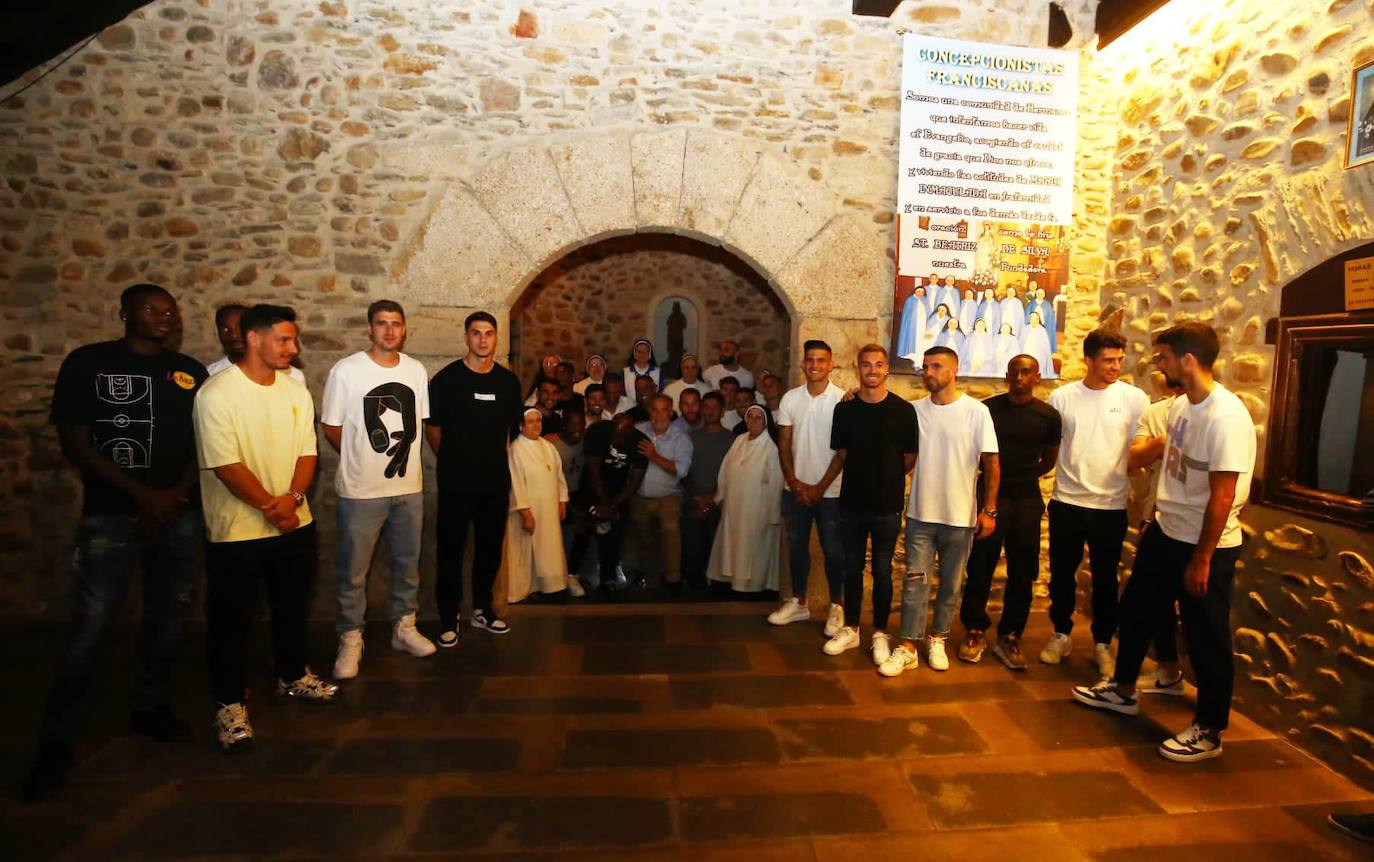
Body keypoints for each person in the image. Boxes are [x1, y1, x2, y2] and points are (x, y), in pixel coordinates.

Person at [23, 284, 207, 801]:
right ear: (124, 312)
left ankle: (151, 709)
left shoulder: (190, 370)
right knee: (90, 630)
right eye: (153, 309)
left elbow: (204, 442)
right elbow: (76, 441)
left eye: (170, 310)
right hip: (110, 516)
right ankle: (54, 746)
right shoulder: (89, 363)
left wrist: (173, 498)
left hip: (178, 514)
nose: (164, 316)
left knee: (166, 622)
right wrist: (140, 496)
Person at [1073, 323, 1256, 764]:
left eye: (1163, 357)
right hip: (1166, 531)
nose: (1158, 364)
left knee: (1205, 635)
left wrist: (1203, 558)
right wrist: (1155, 516)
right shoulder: (1179, 409)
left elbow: (1224, 494)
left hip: (1203, 544)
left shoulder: (1226, 417)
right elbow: (1171, 470)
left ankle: (1209, 730)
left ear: (1187, 361)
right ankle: (1122, 689)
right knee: (1135, 611)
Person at [193, 304, 336, 752]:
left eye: (293, 340)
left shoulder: (294, 391)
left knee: (292, 606)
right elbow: (226, 464)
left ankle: (292, 675)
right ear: (253, 339)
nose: (293, 349)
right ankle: (230, 705)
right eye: (284, 340)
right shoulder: (217, 393)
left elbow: (307, 453)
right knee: (231, 621)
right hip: (238, 529)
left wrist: (292, 501)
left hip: (295, 521)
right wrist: (269, 507)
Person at [320, 300, 435, 682]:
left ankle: (404, 626)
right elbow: (332, 428)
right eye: (381, 324)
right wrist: (360, 458)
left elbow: (416, 425)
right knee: (352, 571)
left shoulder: (415, 370)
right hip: (360, 490)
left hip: (408, 487)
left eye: (396, 324)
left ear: (405, 329)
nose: (389, 330)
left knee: (408, 563)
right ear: (370, 328)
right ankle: (350, 637)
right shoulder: (347, 371)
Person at [880, 346, 999, 677]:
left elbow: (991, 461)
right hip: (921, 513)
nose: (928, 373)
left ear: (953, 370)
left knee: (950, 584)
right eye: (925, 367)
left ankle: (938, 638)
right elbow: (880, 410)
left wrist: (989, 509)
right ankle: (907, 646)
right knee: (915, 580)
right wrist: (851, 394)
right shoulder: (913, 411)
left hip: (960, 516)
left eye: (936, 366)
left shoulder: (977, 412)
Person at [1043, 328, 1150, 676]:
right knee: (1061, 575)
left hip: (1110, 505)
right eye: (1108, 360)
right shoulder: (1063, 398)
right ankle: (1061, 634)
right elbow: (1054, 446)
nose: (1115, 366)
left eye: (1119, 359)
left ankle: (1103, 643)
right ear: (1088, 360)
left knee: (1106, 579)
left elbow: (1139, 449)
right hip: (1068, 501)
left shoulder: (1134, 399)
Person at [957, 355, 1061, 670]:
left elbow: (1049, 460)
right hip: (991, 495)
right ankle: (975, 630)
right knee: (980, 565)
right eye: (1014, 372)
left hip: (1026, 497)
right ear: (1006, 376)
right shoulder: (988, 410)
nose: (1019, 377)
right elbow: (975, 453)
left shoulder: (1048, 416)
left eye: (1026, 372)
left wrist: (1022, 475)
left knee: (1023, 569)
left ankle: (1011, 635)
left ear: (1037, 377)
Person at [428, 311, 524, 642]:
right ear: (466, 337)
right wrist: (456, 461)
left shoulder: (508, 382)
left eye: (489, 333)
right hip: (455, 483)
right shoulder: (446, 380)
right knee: (451, 551)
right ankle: (448, 616)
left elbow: (508, 433)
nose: (483, 339)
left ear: (496, 338)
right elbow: (434, 430)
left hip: (494, 483)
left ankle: (482, 609)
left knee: (489, 551)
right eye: (476, 333)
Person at [824, 344, 917, 661]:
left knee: (882, 571)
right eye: (867, 365)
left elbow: (908, 458)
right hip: (851, 503)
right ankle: (851, 628)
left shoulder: (904, 411)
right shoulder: (844, 409)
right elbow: (843, 453)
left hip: (887, 506)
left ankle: (879, 632)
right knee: (851, 568)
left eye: (879, 365)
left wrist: (885, 477)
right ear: (857, 368)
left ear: (886, 369)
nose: (873, 370)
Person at [769, 340, 846, 635]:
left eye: (821, 360)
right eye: (810, 360)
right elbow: (784, 442)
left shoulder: (842, 401)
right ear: (803, 363)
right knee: (796, 548)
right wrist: (793, 481)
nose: (814, 365)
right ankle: (800, 602)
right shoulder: (790, 399)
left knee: (833, 552)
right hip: (795, 490)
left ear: (831, 364)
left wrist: (819, 487)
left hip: (831, 492)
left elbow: (843, 451)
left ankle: (837, 607)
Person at [1128, 370, 1186, 694]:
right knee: (1152, 600)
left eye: (1164, 360)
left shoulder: (1219, 412)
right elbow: (1134, 459)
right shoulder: (1156, 413)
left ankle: (1208, 707)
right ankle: (1168, 669)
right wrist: (1162, 442)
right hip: (1157, 514)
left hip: (1199, 526)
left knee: (1195, 609)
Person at [709, 404, 784, 594]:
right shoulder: (740, 440)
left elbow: (777, 481)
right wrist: (720, 496)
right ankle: (730, 581)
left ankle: (752, 587)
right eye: (750, 417)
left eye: (758, 417)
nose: (753, 421)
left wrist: (774, 513)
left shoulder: (771, 447)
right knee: (732, 544)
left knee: (752, 548)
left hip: (758, 507)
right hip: (734, 506)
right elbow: (725, 470)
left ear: (766, 421)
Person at [507, 408, 576, 602]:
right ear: (521, 426)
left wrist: (562, 500)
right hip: (528, 511)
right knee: (526, 552)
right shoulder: (516, 449)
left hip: (549, 510)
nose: (536, 425)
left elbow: (559, 476)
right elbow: (516, 483)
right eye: (531, 422)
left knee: (549, 548)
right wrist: (525, 512)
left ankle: (550, 587)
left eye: (538, 421)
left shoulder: (548, 446)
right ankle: (525, 590)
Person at [630, 394, 693, 591]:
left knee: (671, 535)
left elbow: (682, 471)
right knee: (642, 538)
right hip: (639, 496)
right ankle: (650, 580)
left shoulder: (681, 438)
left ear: (671, 412)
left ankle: (673, 579)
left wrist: (654, 456)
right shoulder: (638, 431)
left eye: (663, 409)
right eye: (654, 409)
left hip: (668, 497)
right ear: (650, 411)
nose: (658, 415)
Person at [579, 413, 648, 590]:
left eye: (621, 435)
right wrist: (603, 503)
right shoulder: (597, 431)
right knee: (587, 527)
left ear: (631, 432)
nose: (616, 439)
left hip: (620, 491)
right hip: (592, 487)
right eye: (614, 434)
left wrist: (612, 506)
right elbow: (593, 471)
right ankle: (581, 574)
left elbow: (635, 480)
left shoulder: (641, 441)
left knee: (616, 530)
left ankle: (609, 576)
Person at [683, 392, 734, 588]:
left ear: (722, 412)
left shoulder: (732, 440)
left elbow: (732, 474)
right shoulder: (690, 437)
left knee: (717, 526)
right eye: (707, 407)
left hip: (721, 500)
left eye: (715, 407)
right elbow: (683, 471)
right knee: (691, 529)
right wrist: (698, 498)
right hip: (694, 498)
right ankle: (694, 581)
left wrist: (712, 499)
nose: (711, 411)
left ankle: (719, 581)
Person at [208, 302, 305, 384]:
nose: (234, 335)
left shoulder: (293, 376)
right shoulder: (211, 374)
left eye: (240, 327)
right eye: (225, 329)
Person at [895, 285, 931, 361]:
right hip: (912, 323)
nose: (920, 293)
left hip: (923, 323)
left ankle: (920, 352)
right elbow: (906, 314)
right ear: (915, 291)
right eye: (918, 291)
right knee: (912, 337)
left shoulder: (925, 300)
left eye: (922, 292)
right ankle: (911, 353)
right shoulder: (910, 300)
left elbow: (929, 312)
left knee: (921, 337)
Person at [1020, 311, 1054, 376]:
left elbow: (1045, 346)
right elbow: (1021, 343)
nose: (1034, 320)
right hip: (1027, 352)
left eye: (1036, 319)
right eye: (1032, 318)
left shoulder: (1042, 330)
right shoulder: (1025, 328)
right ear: (1029, 319)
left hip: (1039, 354)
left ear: (1038, 319)